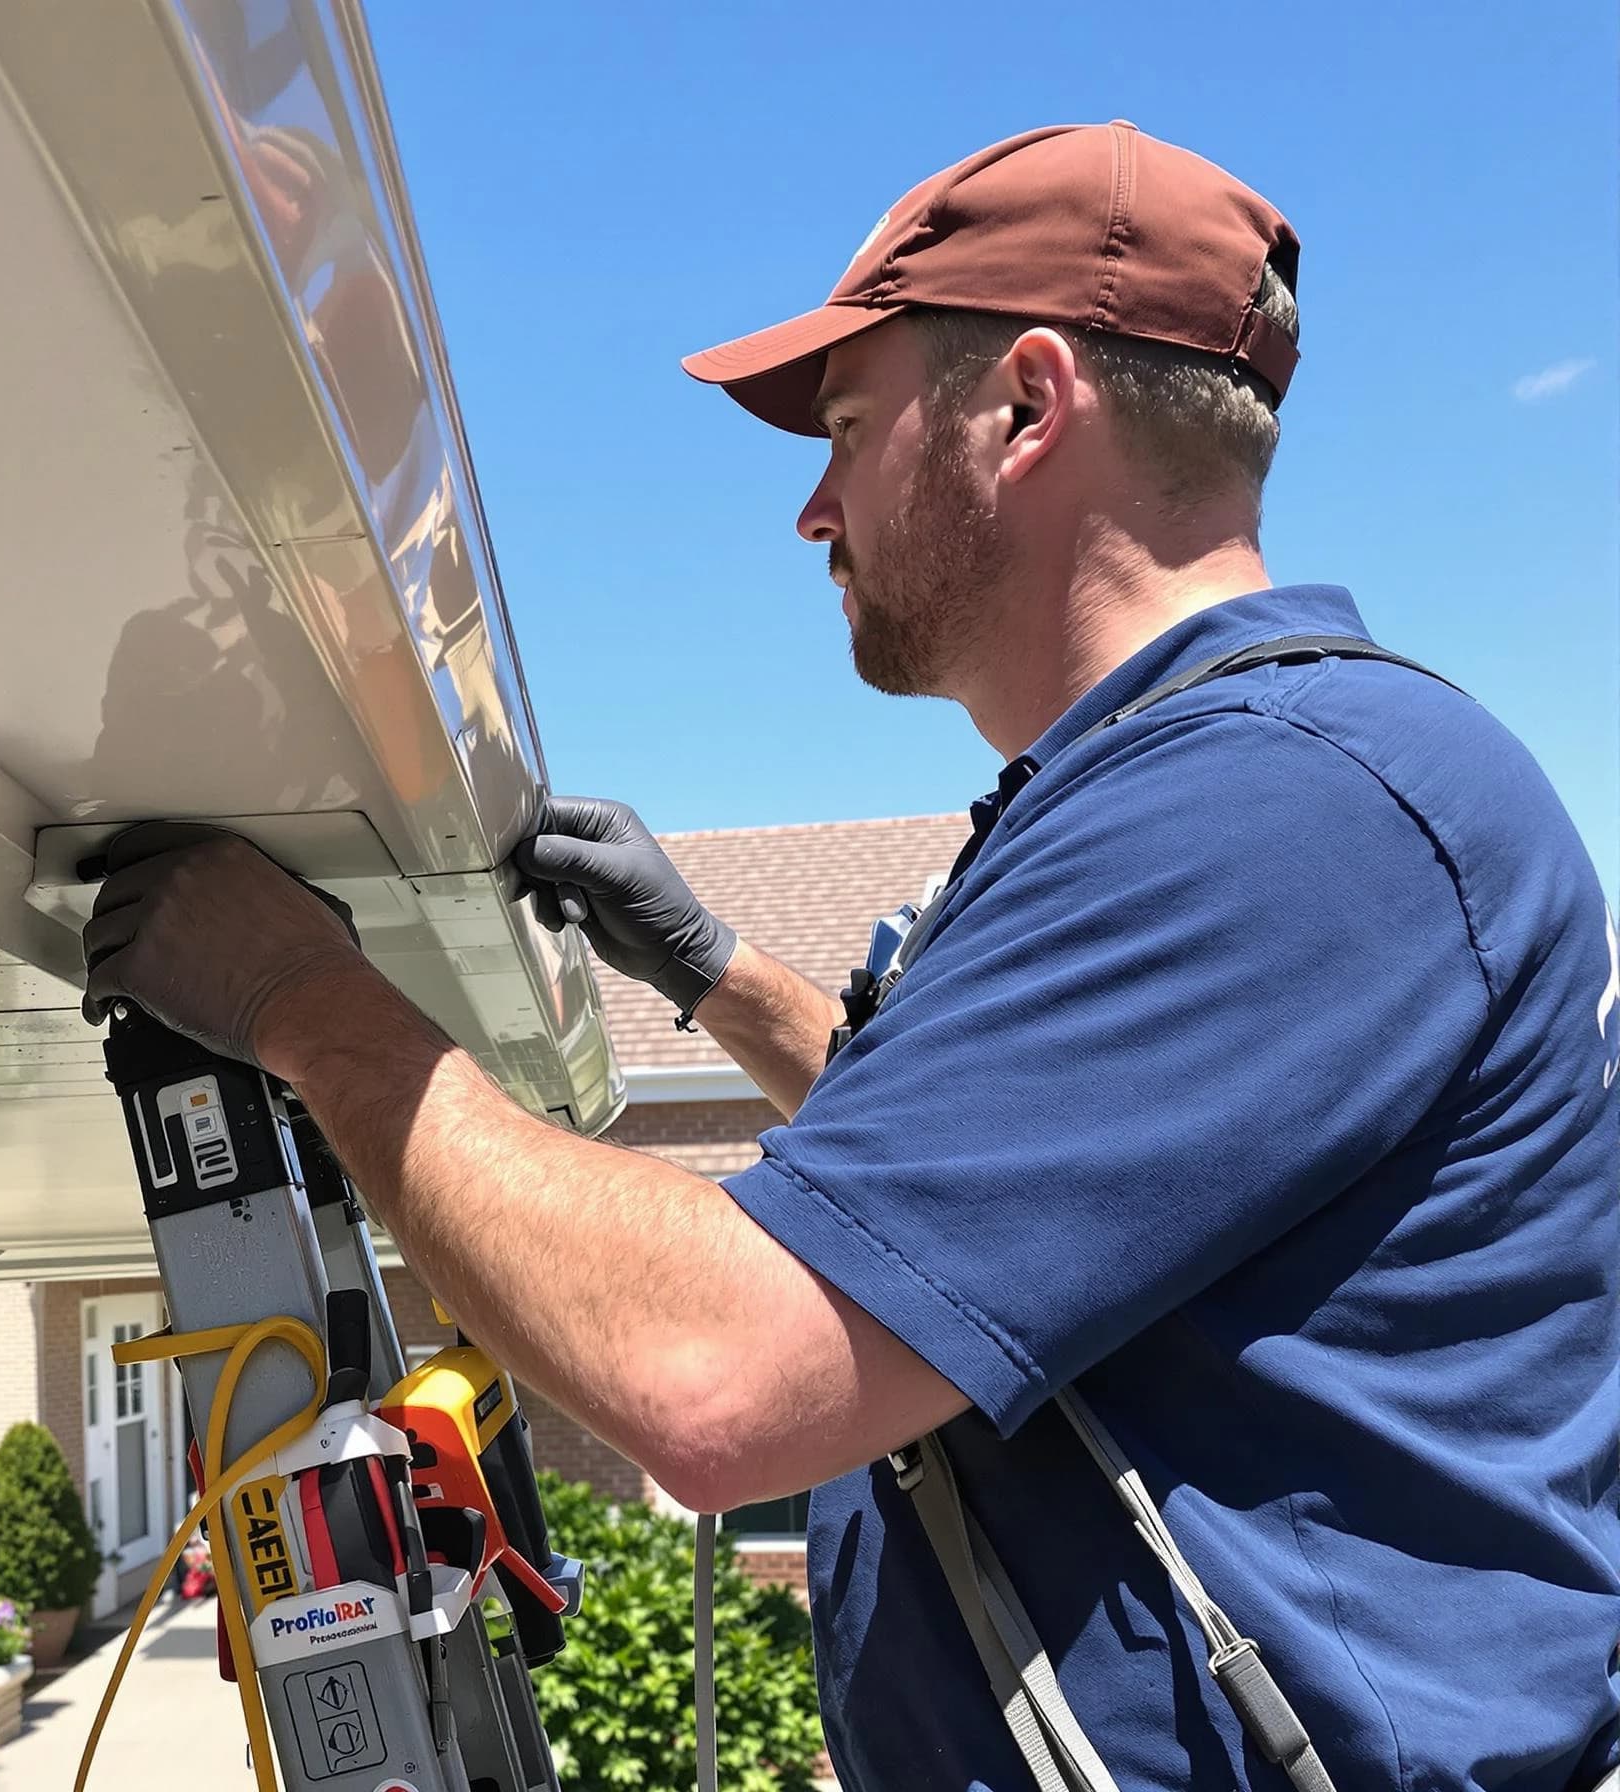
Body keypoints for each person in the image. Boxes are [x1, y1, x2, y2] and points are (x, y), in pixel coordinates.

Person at [79, 122, 1620, 1789]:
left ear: (1030, 408)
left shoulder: (1293, 808)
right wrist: (722, 976)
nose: (813, 508)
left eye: (849, 428)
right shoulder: (1210, 791)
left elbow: (722, 1377)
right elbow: (1012, 1206)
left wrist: (298, 1002)